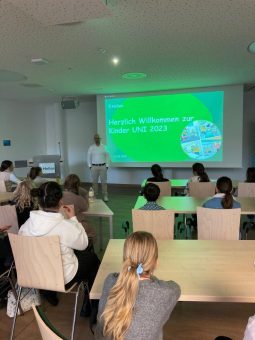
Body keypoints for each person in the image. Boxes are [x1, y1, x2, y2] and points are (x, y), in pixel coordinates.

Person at [19, 182, 100, 308]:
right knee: (92, 259)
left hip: (34, 275)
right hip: (62, 277)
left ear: (39, 201)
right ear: (61, 201)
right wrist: (73, 218)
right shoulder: (63, 226)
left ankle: (49, 292)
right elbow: (83, 243)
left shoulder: (25, 226)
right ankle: (91, 306)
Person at [95, 231, 181, 340]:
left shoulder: (110, 280)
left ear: (124, 259)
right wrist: (150, 277)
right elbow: (175, 287)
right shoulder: (166, 292)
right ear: (155, 262)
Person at [62, 174, 96, 242]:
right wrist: (84, 193)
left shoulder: (59, 195)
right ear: (77, 185)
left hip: (62, 224)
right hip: (76, 225)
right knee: (92, 233)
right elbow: (86, 207)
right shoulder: (78, 198)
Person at [87, 133, 109, 202]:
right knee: (94, 183)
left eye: (98, 138)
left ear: (100, 138)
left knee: (104, 182)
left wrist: (107, 165)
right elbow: (88, 157)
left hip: (103, 166)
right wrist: (90, 166)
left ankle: (105, 195)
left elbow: (107, 156)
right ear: (94, 139)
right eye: (95, 138)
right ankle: (95, 196)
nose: (97, 139)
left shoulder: (105, 147)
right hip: (94, 167)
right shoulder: (91, 147)